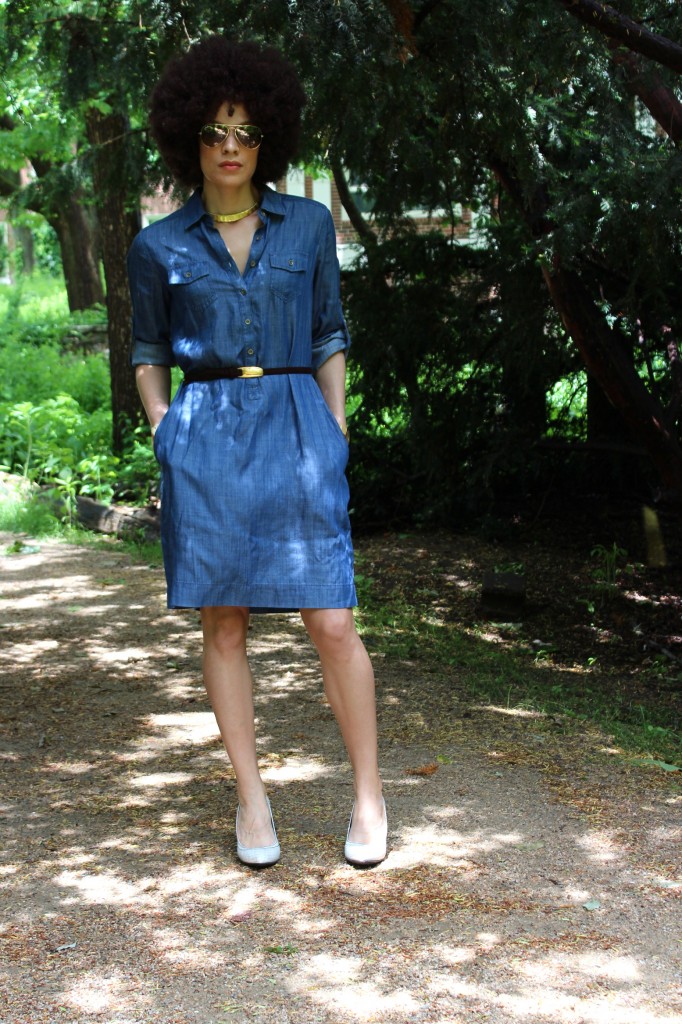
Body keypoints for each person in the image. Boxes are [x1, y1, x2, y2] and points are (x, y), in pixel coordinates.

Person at [127, 37, 386, 868]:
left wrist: (336, 428)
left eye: (244, 131)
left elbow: (329, 334)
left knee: (332, 619)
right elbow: (147, 350)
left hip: (298, 424)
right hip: (205, 436)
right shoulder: (158, 246)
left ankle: (369, 796)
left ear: (268, 137)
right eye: (214, 131)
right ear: (190, 139)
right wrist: (166, 429)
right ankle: (251, 800)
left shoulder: (308, 225)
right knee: (225, 622)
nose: (230, 146)